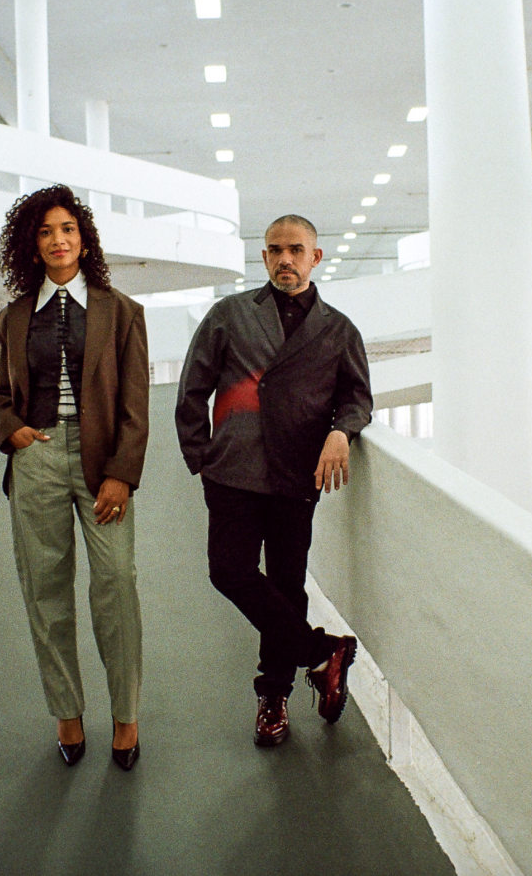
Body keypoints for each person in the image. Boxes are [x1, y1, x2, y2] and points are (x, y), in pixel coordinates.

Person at [175, 213, 373, 748]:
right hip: (234, 472)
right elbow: (192, 388)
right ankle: (320, 653)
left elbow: (357, 398)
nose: (285, 259)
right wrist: (203, 457)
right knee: (229, 571)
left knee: (287, 585)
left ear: (316, 257)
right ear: (263, 258)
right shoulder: (230, 315)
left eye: (296, 249)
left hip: (296, 473)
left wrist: (342, 432)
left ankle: (274, 696)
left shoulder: (337, 330)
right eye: (274, 250)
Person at [0, 184, 149, 770]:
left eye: (68, 230)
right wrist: (13, 432)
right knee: (45, 590)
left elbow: (135, 405)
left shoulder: (122, 312)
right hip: (36, 459)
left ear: (84, 241)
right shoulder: (10, 319)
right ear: (31, 245)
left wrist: (122, 476)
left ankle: (126, 716)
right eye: (46, 232)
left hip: (101, 459)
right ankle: (67, 712)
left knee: (116, 583)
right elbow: (2, 395)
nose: (58, 241)